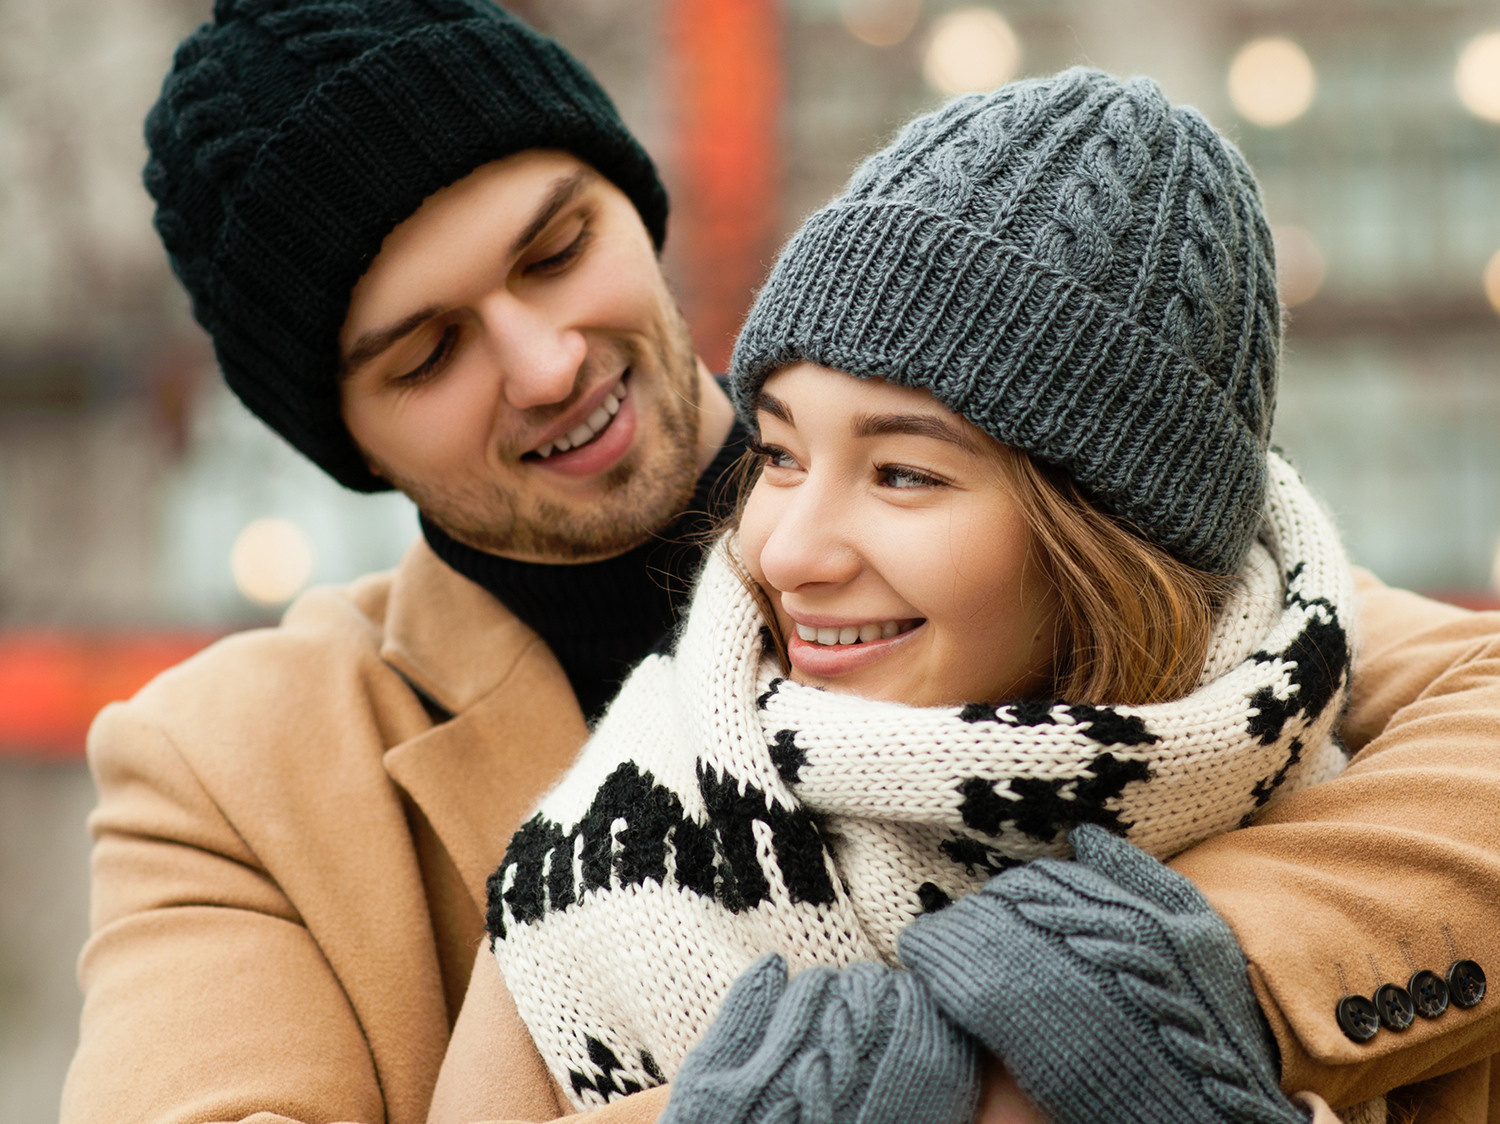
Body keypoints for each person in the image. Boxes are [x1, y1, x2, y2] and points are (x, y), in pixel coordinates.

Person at [59, 1, 1498, 1122]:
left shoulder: (1052, 541)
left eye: (557, 250)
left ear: (637, 204)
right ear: (350, 438)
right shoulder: (227, 767)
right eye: (428, 353)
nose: (546, 361)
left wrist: (1141, 995)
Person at [438, 70, 1500, 1124]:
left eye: (904, 472)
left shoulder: (1362, 817)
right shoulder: (593, 869)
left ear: (1109, 537)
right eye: (779, 452)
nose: (790, 551)